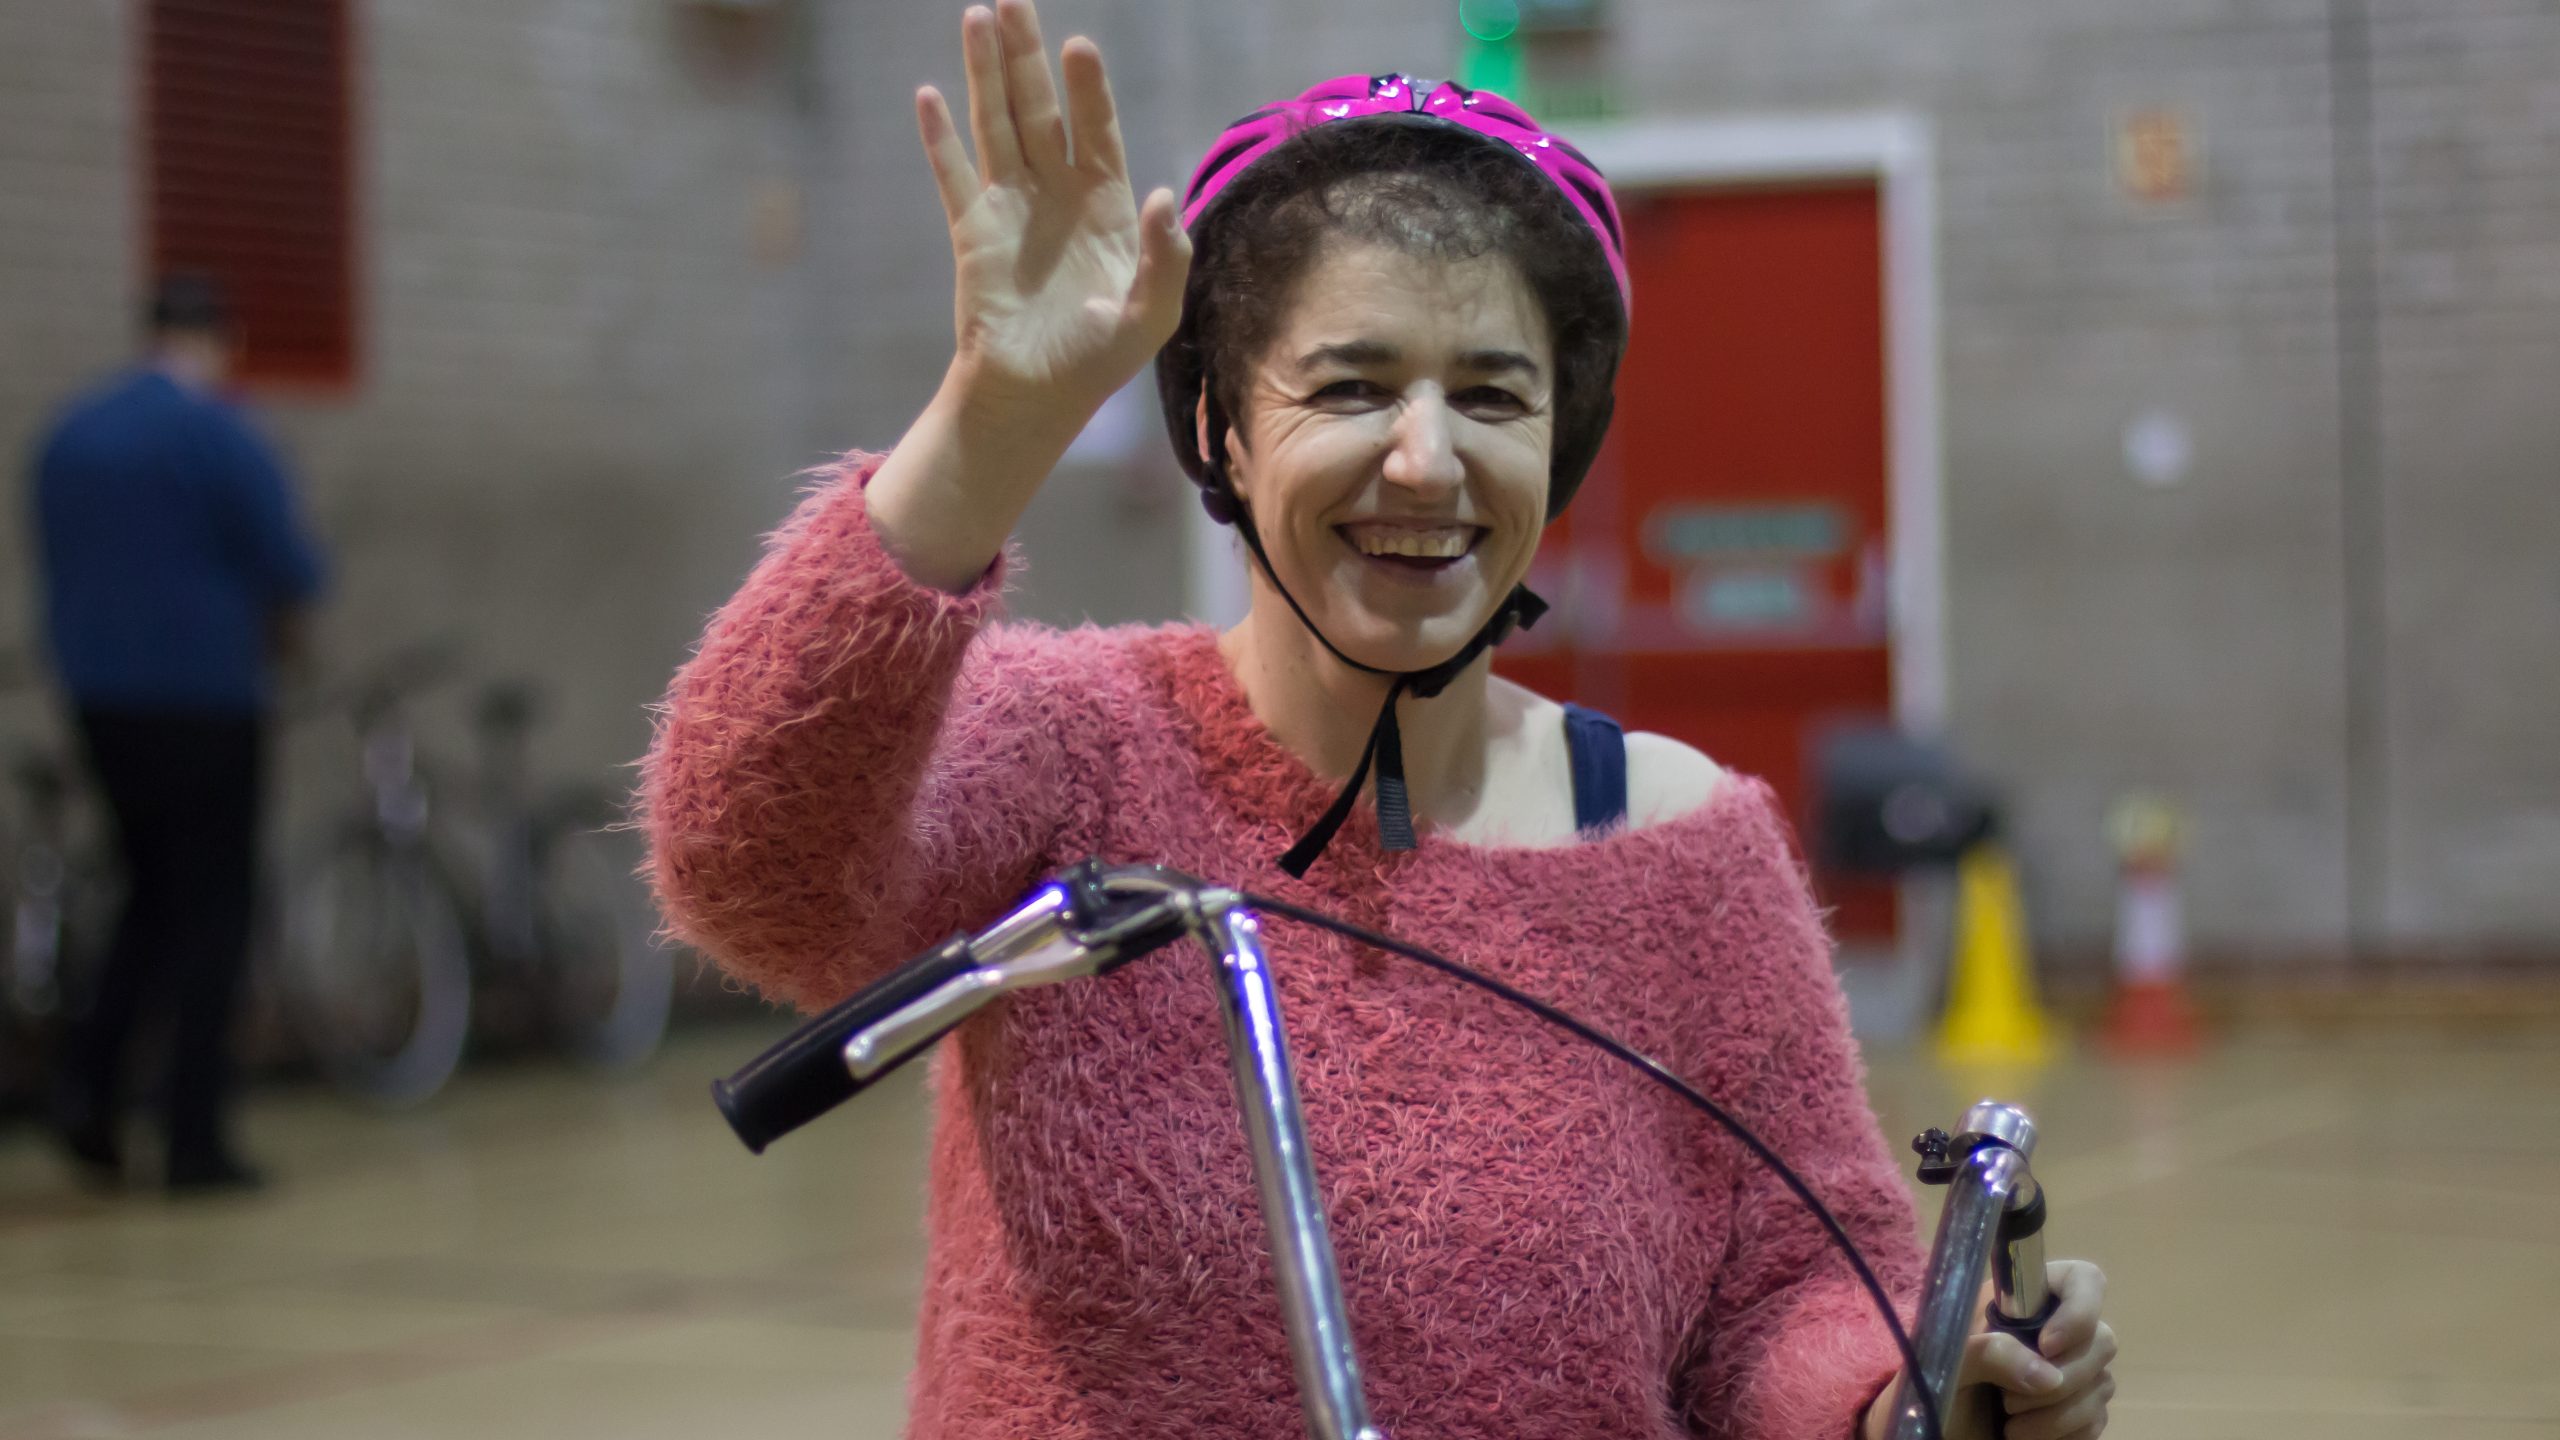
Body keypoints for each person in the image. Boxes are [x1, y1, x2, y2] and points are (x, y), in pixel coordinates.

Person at [642, 4, 2116, 1436]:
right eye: (1352, 386)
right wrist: (992, 421)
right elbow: (747, 867)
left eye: (1491, 395)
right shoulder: (1074, 746)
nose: (1427, 461)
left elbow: (1795, 1290)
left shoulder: (1687, 845)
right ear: (1221, 426)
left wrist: (1911, 1385)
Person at [28, 274, 329, 1193]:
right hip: (204, 701)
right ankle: (194, 1136)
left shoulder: (68, 435)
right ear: (218, 340)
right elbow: (290, 564)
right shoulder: (219, 431)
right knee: (213, 911)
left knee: (146, 895)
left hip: (100, 702)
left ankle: (87, 1094)